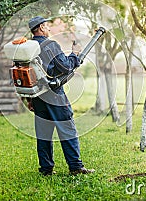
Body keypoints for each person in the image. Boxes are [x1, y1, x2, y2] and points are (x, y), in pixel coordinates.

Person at [27, 15, 95, 176]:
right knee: (67, 130)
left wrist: (29, 99)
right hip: (54, 94)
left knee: (44, 134)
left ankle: (46, 169)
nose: (49, 29)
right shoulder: (50, 44)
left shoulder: (27, 47)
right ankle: (76, 167)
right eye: (47, 26)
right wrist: (74, 54)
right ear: (42, 28)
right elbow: (65, 66)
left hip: (37, 96)